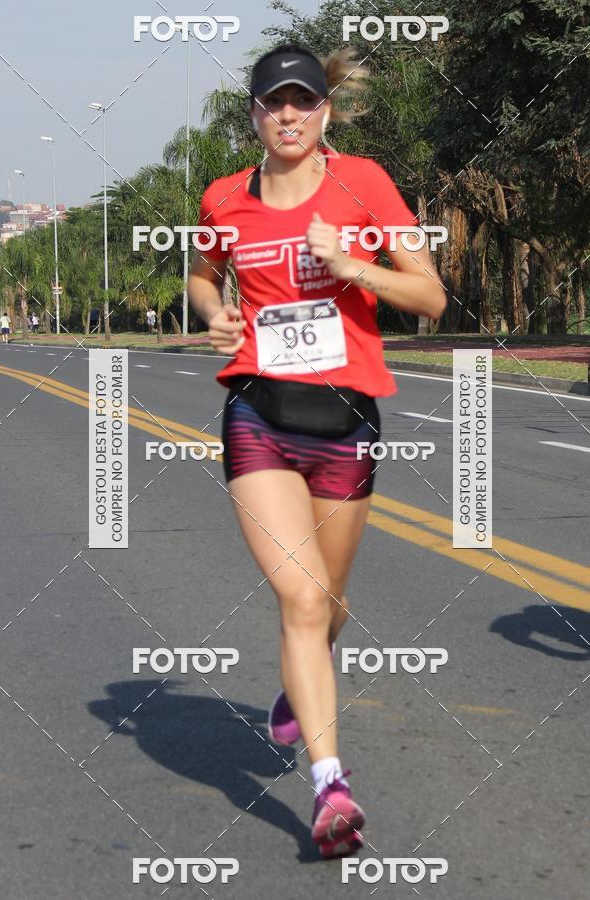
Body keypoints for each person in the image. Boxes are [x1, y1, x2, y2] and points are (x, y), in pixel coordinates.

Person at [188, 42, 446, 858]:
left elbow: (431, 297)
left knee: (327, 607)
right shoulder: (224, 198)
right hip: (258, 414)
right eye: (274, 103)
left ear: (325, 111)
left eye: (302, 101)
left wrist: (354, 265)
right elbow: (201, 275)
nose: (289, 114)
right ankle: (330, 787)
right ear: (256, 115)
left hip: (347, 425)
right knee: (301, 603)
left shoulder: (362, 184)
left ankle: (304, 683)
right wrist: (211, 311)